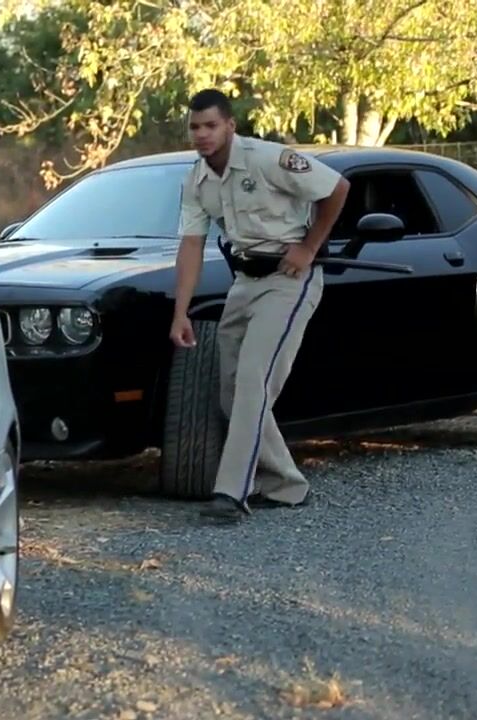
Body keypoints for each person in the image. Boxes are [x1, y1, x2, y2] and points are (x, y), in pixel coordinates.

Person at [170, 88, 350, 521]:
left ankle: (232, 493)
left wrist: (309, 247)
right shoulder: (196, 180)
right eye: (195, 127)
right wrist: (180, 312)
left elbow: (337, 188)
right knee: (232, 393)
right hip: (244, 282)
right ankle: (287, 486)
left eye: (211, 125)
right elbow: (191, 245)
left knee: (254, 381)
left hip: (288, 281)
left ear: (230, 126)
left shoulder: (268, 158)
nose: (202, 134)